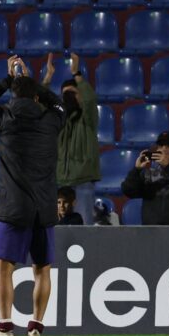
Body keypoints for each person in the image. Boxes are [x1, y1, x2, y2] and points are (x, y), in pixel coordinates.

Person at [0, 55, 65, 336]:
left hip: (14, 206)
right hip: (44, 207)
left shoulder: (5, 119)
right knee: (42, 269)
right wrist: (34, 85)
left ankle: (5, 327)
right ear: (36, 96)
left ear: (14, 93)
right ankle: (37, 327)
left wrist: (10, 78)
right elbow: (59, 104)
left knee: (4, 268)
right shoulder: (51, 120)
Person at [47, 54, 100, 226]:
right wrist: (48, 78)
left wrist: (77, 73)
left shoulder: (88, 120)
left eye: (73, 93)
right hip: (60, 182)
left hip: (83, 182)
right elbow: (37, 107)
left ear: (81, 96)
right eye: (66, 95)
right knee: (56, 231)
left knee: (84, 231)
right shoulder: (57, 121)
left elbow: (91, 101)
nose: (69, 97)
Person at [122, 131, 169, 225]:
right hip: (151, 232)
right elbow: (129, 191)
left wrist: (168, 167)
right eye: (161, 145)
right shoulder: (149, 173)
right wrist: (136, 170)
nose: (164, 148)